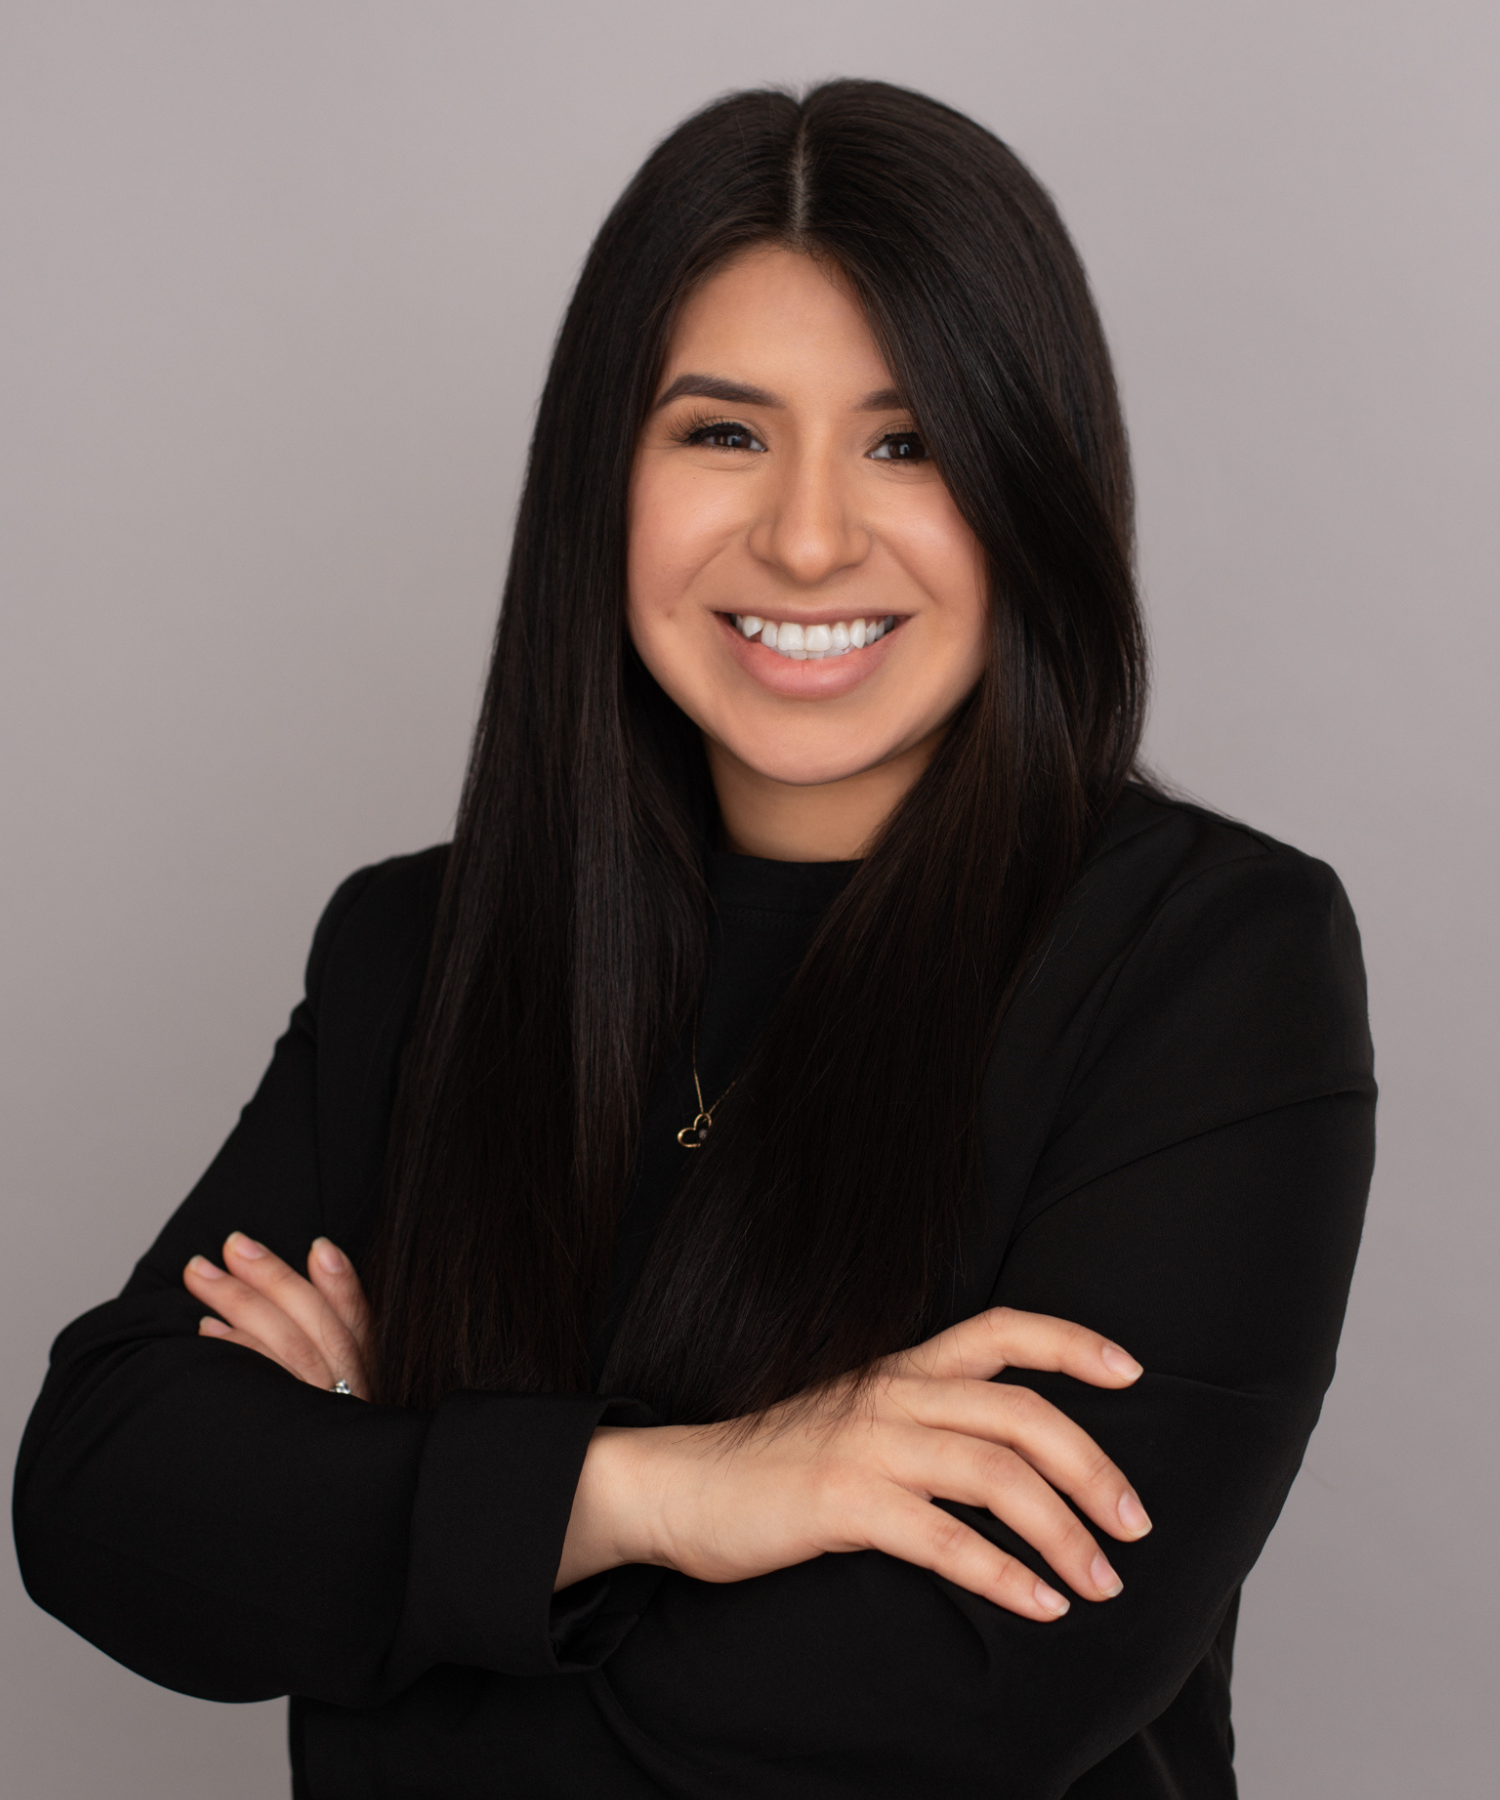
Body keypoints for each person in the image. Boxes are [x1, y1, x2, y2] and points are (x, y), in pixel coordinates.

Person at [13, 80, 1374, 1799]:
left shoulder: (1211, 967)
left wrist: (393, 1572)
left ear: (1031, 485)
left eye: (908, 443)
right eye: (724, 433)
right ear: (606, 475)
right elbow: (104, 1501)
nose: (807, 537)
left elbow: (960, 1709)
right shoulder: (413, 948)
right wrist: (662, 1494)